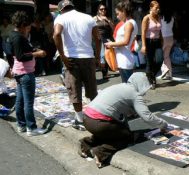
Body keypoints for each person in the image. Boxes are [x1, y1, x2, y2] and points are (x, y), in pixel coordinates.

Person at [79, 72, 169, 168]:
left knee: (112, 133)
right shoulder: (135, 94)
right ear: (141, 85)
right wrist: (163, 124)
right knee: (127, 137)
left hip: (86, 118)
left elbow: (119, 113)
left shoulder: (120, 86)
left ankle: (85, 145)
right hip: (99, 123)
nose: (145, 92)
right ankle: (100, 152)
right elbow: (147, 117)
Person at [53, 0, 100, 130]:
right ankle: (95, 116)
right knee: (92, 90)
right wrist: (97, 56)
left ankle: (79, 120)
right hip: (88, 57)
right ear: (72, 6)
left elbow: (56, 34)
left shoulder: (61, 18)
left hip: (71, 59)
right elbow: (98, 37)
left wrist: (62, 56)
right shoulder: (88, 17)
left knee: (74, 90)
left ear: (61, 9)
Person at [9, 11, 48, 136]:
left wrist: (34, 50)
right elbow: (21, 56)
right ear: (22, 25)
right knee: (28, 102)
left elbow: (22, 51)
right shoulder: (18, 37)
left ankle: (21, 125)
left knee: (20, 100)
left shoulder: (16, 35)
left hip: (20, 72)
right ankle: (31, 127)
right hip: (25, 73)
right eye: (28, 26)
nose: (29, 28)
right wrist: (37, 54)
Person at [105, 0, 138, 83]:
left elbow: (125, 42)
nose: (117, 16)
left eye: (118, 13)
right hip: (123, 57)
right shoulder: (128, 23)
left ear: (123, 11)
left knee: (127, 85)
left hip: (125, 59)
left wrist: (111, 44)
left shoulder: (129, 24)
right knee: (127, 84)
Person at [141, 0, 162, 89]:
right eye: (156, 8)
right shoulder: (146, 18)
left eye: (158, 8)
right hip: (149, 41)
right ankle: (151, 81)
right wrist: (143, 45)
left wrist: (162, 40)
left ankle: (151, 74)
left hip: (157, 41)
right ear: (151, 8)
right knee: (150, 62)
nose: (158, 10)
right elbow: (143, 32)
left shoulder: (159, 17)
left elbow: (160, 31)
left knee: (159, 60)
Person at [93, 3, 115, 79]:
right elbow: (91, 28)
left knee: (107, 55)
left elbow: (113, 29)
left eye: (104, 9)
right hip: (99, 38)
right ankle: (104, 73)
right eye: (101, 9)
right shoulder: (95, 18)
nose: (103, 10)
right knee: (102, 55)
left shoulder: (108, 18)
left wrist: (108, 21)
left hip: (108, 38)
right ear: (98, 10)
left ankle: (105, 72)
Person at [159, 4, 175, 80]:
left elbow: (159, 28)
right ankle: (169, 74)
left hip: (163, 37)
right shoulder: (172, 18)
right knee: (167, 56)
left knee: (163, 56)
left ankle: (165, 69)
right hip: (170, 37)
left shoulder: (161, 18)